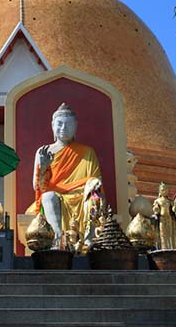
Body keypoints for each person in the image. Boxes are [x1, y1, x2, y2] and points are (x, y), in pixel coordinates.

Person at [27, 103, 103, 247]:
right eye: (59, 124)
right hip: (57, 196)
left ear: (76, 126)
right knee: (48, 197)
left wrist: (93, 183)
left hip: (82, 194)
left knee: (95, 196)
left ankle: (89, 237)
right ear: (52, 126)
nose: (63, 128)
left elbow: (95, 179)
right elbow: (39, 188)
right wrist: (43, 168)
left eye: (68, 125)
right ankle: (57, 240)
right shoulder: (44, 152)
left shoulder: (87, 152)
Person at [152, 182, 176, 250]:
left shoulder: (170, 201)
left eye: (166, 189)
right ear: (159, 191)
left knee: (170, 234)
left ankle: (172, 247)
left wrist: (175, 207)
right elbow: (156, 209)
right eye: (163, 190)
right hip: (162, 219)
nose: (165, 191)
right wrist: (156, 211)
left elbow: (174, 210)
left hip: (169, 218)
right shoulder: (157, 201)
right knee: (163, 234)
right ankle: (163, 248)